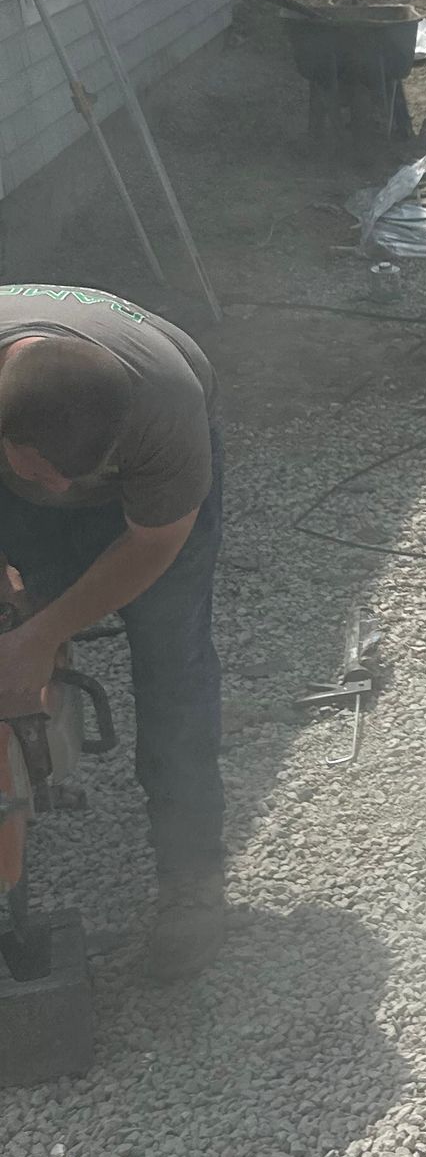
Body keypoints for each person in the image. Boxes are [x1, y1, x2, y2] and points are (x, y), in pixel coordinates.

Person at [0, 283, 226, 980]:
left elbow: (155, 543)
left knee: (172, 663)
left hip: (153, 498)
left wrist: (41, 636)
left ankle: (192, 883)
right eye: (45, 472)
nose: (64, 491)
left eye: (79, 474)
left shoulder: (165, 408)